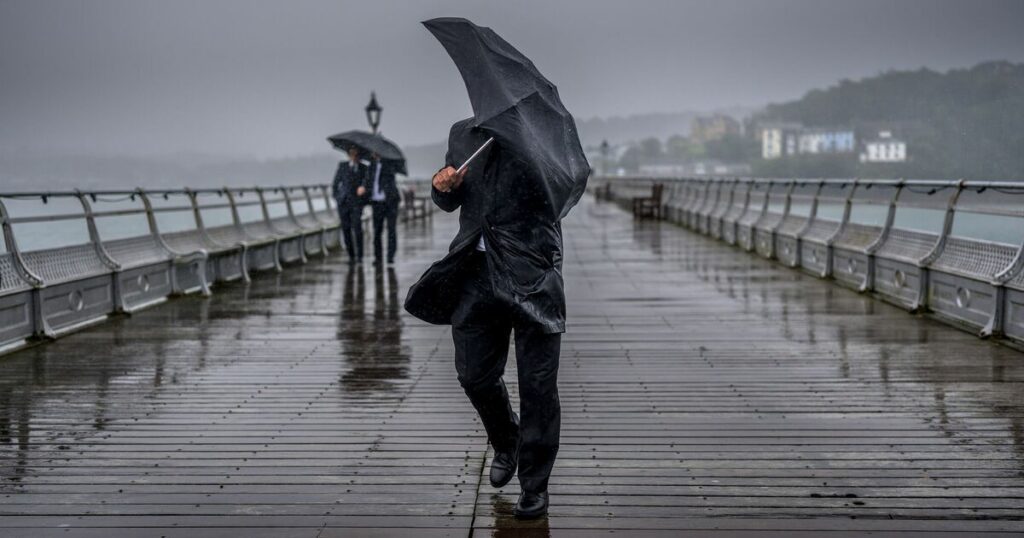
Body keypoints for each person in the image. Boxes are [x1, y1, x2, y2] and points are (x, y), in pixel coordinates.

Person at [406, 119, 567, 519]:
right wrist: (442, 186)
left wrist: (527, 151)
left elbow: (561, 194)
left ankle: (534, 485)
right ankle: (506, 438)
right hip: (476, 271)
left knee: (538, 386)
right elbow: (450, 201)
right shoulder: (464, 134)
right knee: (473, 374)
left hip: (532, 271)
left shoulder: (542, 133)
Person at [331, 148, 367, 263]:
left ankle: (360, 256)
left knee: (357, 229)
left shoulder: (363, 168)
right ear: (348, 155)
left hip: (357, 203)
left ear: (359, 156)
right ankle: (351, 256)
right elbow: (335, 184)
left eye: (356, 154)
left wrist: (363, 190)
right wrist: (337, 198)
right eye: (351, 154)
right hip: (343, 203)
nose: (354, 156)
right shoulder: (342, 166)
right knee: (346, 230)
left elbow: (367, 184)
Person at [367, 153, 401, 265]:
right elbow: (368, 181)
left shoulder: (389, 163)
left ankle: (390, 257)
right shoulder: (371, 166)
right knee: (377, 232)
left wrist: (383, 162)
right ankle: (378, 258)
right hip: (376, 203)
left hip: (390, 202)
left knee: (391, 230)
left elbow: (390, 178)